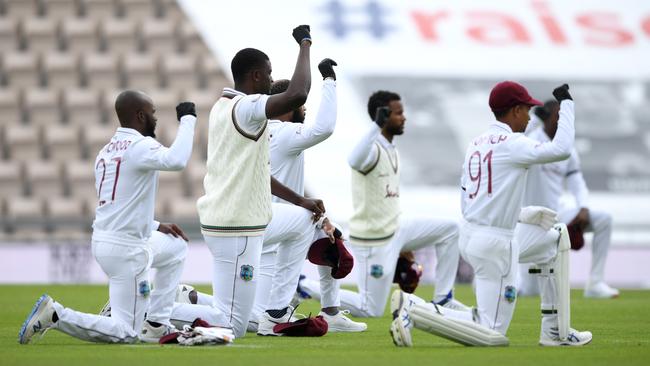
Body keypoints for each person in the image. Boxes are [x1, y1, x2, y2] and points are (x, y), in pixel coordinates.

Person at [390, 81, 592, 347]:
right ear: (516, 110)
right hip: (496, 242)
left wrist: (520, 214)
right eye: (528, 110)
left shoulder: (476, 143)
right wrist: (567, 105)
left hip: (474, 234)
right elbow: (561, 150)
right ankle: (414, 308)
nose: (530, 117)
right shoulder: (514, 142)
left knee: (555, 239)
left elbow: (470, 197)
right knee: (491, 334)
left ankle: (555, 330)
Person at [19, 91, 201, 344]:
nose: (155, 119)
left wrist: (157, 225)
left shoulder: (105, 151)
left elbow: (118, 205)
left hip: (110, 241)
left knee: (176, 247)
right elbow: (177, 160)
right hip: (127, 250)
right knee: (127, 333)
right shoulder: (140, 145)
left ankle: (158, 323)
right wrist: (188, 119)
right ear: (140, 115)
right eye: (153, 113)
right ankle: (57, 315)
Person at [196, 25, 326, 338]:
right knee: (234, 327)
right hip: (236, 226)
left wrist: (300, 200)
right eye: (268, 74)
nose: (271, 80)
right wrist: (305, 45)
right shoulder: (248, 107)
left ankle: (277, 310)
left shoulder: (222, 107)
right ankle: (152, 308)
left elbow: (257, 172)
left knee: (305, 218)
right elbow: (298, 94)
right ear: (255, 76)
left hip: (226, 221)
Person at [254, 60, 366, 333]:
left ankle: (331, 311)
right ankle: (190, 299)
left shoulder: (256, 131)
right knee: (247, 319)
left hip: (266, 223)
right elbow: (324, 128)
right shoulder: (285, 133)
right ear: (288, 107)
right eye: (301, 105)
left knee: (332, 236)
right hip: (275, 232)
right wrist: (329, 80)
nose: (304, 110)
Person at [337, 90, 468, 319]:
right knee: (371, 309)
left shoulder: (390, 147)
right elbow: (353, 160)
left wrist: (404, 245)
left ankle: (443, 298)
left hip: (396, 229)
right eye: (398, 113)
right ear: (383, 117)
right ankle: (306, 287)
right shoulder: (371, 148)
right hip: (374, 238)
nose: (404, 117)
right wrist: (375, 126)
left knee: (450, 229)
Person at [518, 100, 619, 299]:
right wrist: (537, 116)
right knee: (530, 292)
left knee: (604, 219)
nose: (562, 122)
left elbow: (577, 181)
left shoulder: (568, 149)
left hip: (557, 214)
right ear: (545, 118)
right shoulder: (530, 141)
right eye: (558, 116)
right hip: (531, 221)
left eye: (565, 117)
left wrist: (583, 207)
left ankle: (595, 284)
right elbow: (518, 135)